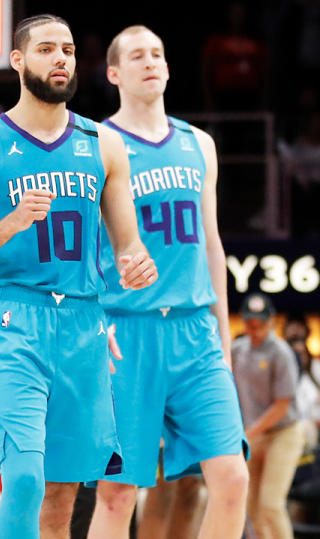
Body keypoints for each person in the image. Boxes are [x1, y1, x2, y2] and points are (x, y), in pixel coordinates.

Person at [0, 15, 157, 539]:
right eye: (47, 50)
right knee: (26, 478)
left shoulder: (103, 144)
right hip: (12, 319)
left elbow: (128, 244)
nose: (61, 59)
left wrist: (135, 262)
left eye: (70, 50)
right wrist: (10, 223)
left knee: (63, 492)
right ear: (18, 60)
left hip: (83, 322)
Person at [87, 25, 249, 539]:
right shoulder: (93, 144)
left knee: (232, 477)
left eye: (158, 53)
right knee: (116, 493)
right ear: (114, 73)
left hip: (195, 332)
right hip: (125, 333)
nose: (150, 61)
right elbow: (80, 255)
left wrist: (223, 339)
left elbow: (213, 246)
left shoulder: (199, 143)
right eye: (137, 56)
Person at [233, 293, 305, 539]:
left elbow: (282, 406)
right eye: (250, 323)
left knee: (271, 505)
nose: (255, 329)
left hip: (282, 433)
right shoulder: (237, 350)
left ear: (271, 321)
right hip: (252, 434)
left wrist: (247, 433)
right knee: (251, 508)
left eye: (260, 323)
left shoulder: (281, 353)